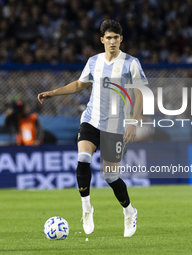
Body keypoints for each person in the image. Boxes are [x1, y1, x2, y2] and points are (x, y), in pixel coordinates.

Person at [38, 20, 147, 237]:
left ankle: (129, 211)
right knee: (83, 159)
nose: (112, 41)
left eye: (116, 37)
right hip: (90, 120)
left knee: (110, 176)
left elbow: (140, 92)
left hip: (115, 125)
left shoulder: (131, 63)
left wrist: (134, 122)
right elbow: (79, 84)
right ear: (102, 40)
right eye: (109, 37)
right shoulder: (93, 61)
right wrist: (53, 92)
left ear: (121, 39)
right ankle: (86, 207)